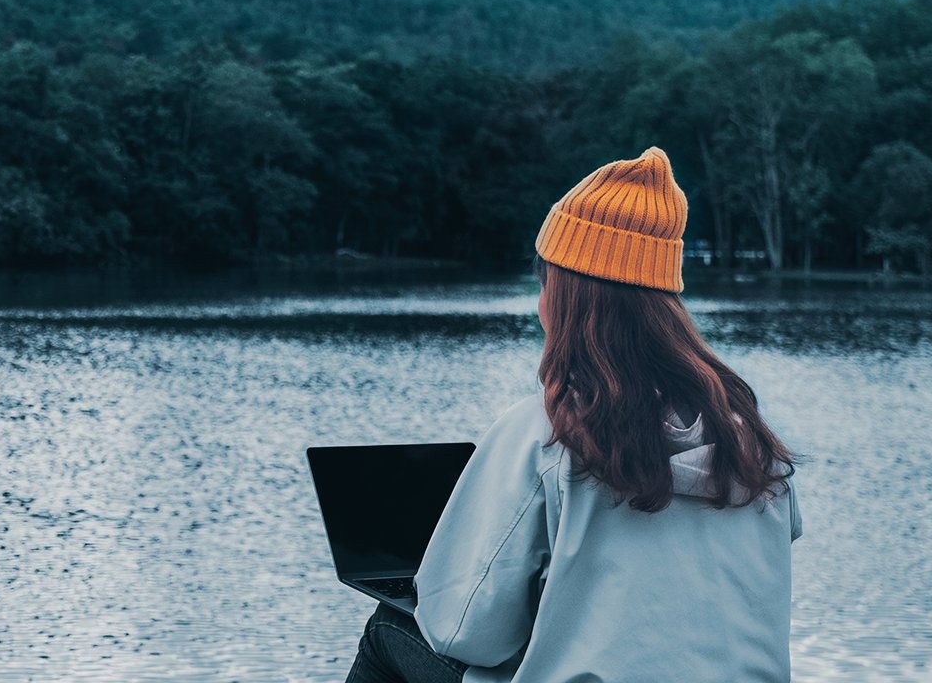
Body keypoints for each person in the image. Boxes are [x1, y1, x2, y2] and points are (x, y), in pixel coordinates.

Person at [343, 146, 802, 683]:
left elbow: (463, 631)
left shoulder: (547, 432)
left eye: (544, 284)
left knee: (389, 632)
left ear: (565, 295)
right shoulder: (751, 443)